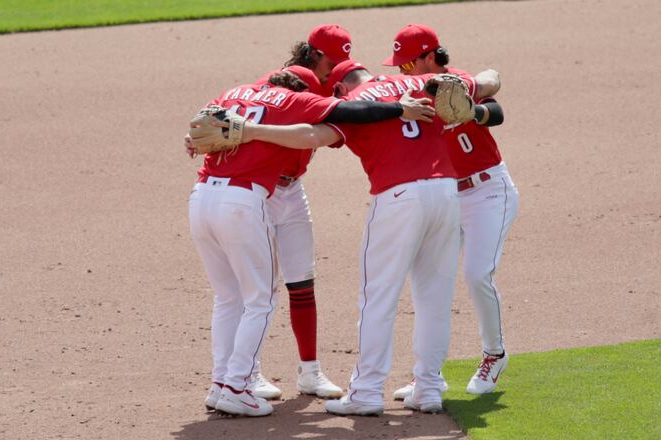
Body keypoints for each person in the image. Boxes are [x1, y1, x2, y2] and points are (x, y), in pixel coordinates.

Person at [212, 60, 504, 415]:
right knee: (434, 298)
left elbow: (311, 136)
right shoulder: (422, 82)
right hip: (446, 194)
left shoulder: (356, 105)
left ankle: (366, 392)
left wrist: (251, 131)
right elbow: (491, 79)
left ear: (338, 90)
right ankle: (428, 389)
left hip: (398, 198)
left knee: (377, 298)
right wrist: (466, 98)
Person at [187, 67, 435, 417]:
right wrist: (398, 108)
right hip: (241, 202)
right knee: (260, 300)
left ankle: (219, 383)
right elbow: (348, 111)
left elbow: (195, 130)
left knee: (228, 298)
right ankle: (236, 385)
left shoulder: (234, 94)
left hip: (200, 198)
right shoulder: (292, 100)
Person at [383, 24, 518, 398]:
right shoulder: (408, 93)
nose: (401, 71)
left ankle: (495, 354)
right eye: (398, 65)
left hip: (489, 191)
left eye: (408, 63)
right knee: (430, 282)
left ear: (431, 56)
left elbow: (495, 94)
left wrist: (473, 110)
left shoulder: (455, 82)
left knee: (477, 274)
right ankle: (428, 373)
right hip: (446, 198)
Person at [227, 24, 353, 400]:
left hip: (292, 191)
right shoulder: (276, 84)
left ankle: (310, 372)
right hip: (259, 191)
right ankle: (249, 374)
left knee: (301, 280)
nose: (334, 70)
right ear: (312, 54)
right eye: (331, 61)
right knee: (256, 289)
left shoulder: (331, 90)